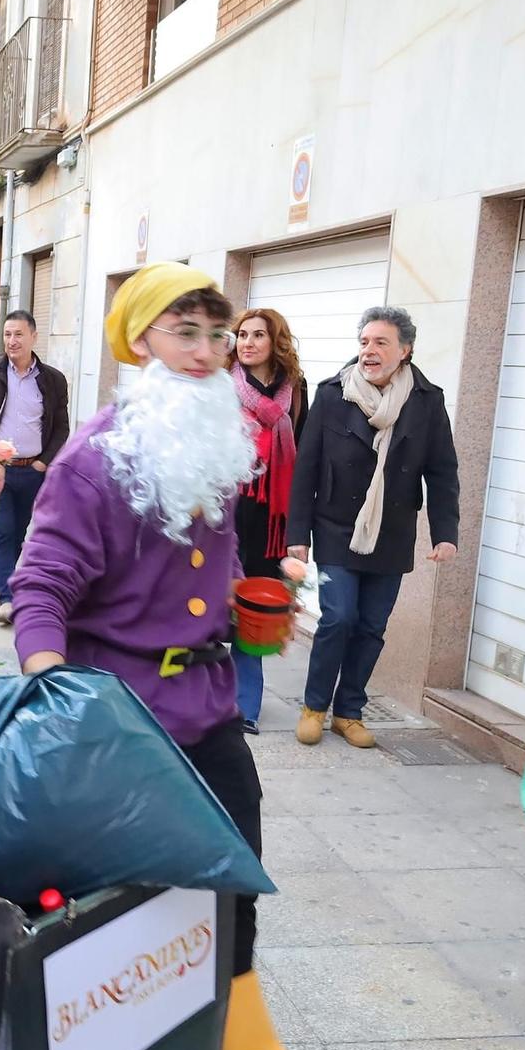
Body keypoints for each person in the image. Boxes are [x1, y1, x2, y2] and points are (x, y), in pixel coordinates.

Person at [11, 262, 324, 1050]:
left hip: (208, 706)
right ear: (140, 341)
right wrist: (55, 691)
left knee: (234, 881)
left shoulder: (217, 444)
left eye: (218, 335)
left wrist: (250, 604)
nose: (207, 351)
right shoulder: (93, 459)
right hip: (119, 715)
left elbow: (205, 571)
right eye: (185, 332)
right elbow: (41, 587)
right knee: (112, 904)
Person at [284, 306, 460, 748]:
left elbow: (442, 470)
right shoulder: (333, 394)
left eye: (381, 342)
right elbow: (306, 468)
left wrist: (445, 532)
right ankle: (314, 706)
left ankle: (349, 712)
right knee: (339, 617)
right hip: (335, 526)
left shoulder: (426, 401)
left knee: (371, 626)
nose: (369, 351)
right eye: (364, 342)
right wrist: (297, 536)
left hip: (392, 531)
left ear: (405, 350)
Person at [0, 309, 69, 625]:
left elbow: (61, 427)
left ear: (33, 336)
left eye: (18, 334)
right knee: (2, 531)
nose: (12, 341)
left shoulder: (53, 380)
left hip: (33, 472)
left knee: (19, 533)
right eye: (7, 334)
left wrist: (43, 462)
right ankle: (8, 598)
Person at [230, 307, 309, 733]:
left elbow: (305, 454)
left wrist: (300, 528)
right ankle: (202, 691)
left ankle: (244, 707)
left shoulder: (295, 391)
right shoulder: (222, 384)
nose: (248, 342)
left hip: (270, 518)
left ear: (275, 341)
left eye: (258, 335)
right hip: (226, 510)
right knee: (212, 604)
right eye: (243, 334)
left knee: (256, 610)